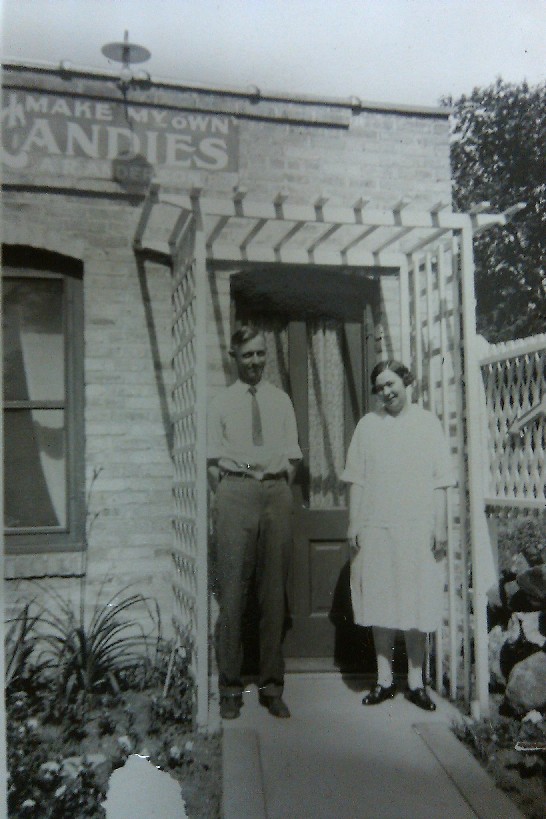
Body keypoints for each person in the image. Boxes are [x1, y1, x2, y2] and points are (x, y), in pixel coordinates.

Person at [341, 359, 453, 711]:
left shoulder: (427, 424)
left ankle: (416, 682)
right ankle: (384, 679)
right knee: (380, 601)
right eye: (380, 388)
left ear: (407, 382)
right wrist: (354, 522)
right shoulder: (368, 427)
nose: (386, 392)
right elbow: (357, 479)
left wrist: (439, 525)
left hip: (416, 527)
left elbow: (440, 481)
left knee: (416, 601)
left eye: (392, 384)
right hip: (377, 527)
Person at [208, 325, 302, 720]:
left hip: (276, 494)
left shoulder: (281, 401)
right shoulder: (221, 402)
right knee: (232, 594)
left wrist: (273, 483)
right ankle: (230, 688)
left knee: (272, 593)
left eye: (261, 354)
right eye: (247, 355)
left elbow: (292, 457)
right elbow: (214, 462)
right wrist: (246, 478)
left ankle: (271, 687)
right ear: (234, 357)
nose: (255, 362)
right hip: (236, 492)